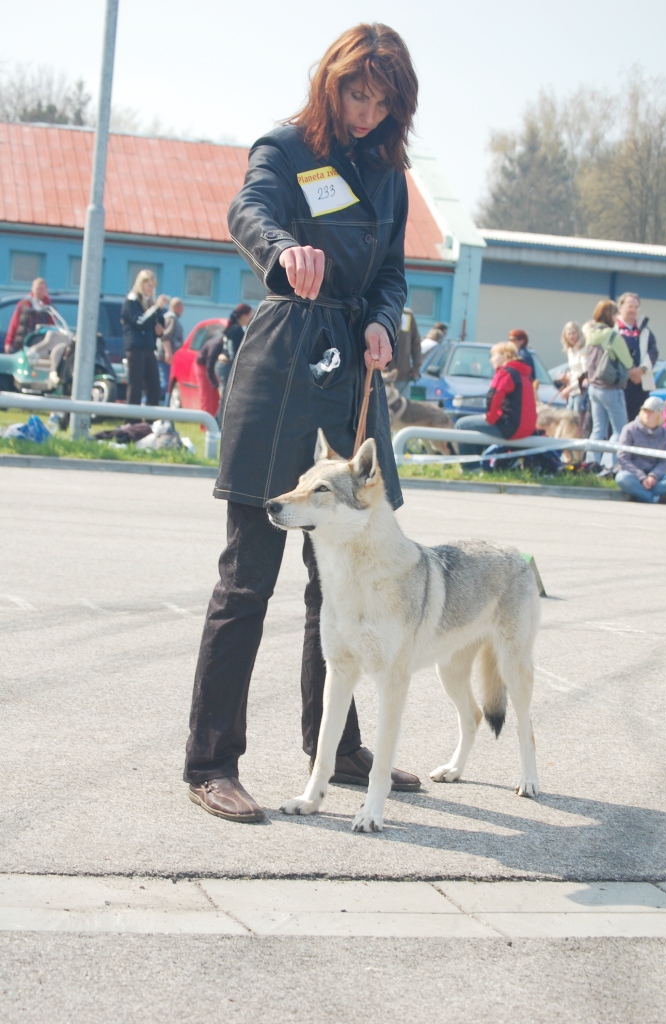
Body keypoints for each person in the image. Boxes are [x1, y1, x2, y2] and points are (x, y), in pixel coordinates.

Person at [184, 23, 421, 823]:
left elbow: (391, 273)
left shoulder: (389, 171)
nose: (366, 111)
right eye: (357, 92)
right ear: (332, 83)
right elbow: (246, 208)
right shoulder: (284, 148)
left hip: (351, 370)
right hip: (283, 364)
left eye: (382, 99)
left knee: (345, 579)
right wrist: (283, 248)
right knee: (248, 576)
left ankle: (338, 749)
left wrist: (384, 321)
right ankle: (212, 760)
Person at [456, 341, 537, 456]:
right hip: (528, 428)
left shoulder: (505, 372)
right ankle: (480, 460)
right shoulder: (524, 374)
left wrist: (490, 417)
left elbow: (493, 396)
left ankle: (470, 466)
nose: (491, 360)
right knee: (476, 424)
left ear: (505, 355)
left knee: (461, 424)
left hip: (511, 427)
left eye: (494, 355)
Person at [583, 299, 633, 471]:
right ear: (610, 315)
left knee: (597, 429)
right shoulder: (613, 336)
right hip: (611, 388)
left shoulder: (590, 335)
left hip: (594, 388)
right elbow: (627, 361)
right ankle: (608, 465)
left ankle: (591, 464)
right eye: (615, 313)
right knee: (620, 430)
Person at [615, 396, 666, 504]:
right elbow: (623, 458)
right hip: (633, 475)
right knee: (622, 478)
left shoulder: (664, 434)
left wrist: (653, 476)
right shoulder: (629, 429)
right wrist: (641, 477)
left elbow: (665, 461)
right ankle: (654, 498)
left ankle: (637, 493)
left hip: (654, 478)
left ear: (659, 414)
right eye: (645, 411)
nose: (647, 414)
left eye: (651, 412)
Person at [120, 270, 168, 407]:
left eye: (153, 286)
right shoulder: (131, 302)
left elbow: (157, 323)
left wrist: (159, 329)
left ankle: (150, 420)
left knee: (154, 385)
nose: (151, 289)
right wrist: (156, 308)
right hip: (135, 348)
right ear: (141, 284)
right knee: (136, 384)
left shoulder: (150, 303)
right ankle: (132, 420)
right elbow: (140, 322)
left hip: (149, 347)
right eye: (148, 285)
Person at [616, 292, 658, 422]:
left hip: (639, 384)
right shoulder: (613, 329)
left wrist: (641, 370)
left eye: (636, 307)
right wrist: (628, 372)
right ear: (620, 307)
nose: (633, 310)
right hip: (618, 385)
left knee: (638, 422)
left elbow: (653, 352)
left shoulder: (645, 331)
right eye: (630, 306)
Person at [215, 304, 254, 423]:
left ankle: (218, 421)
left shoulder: (231, 328)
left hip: (222, 365)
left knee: (225, 395)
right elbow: (234, 351)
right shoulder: (236, 329)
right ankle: (220, 422)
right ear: (245, 315)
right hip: (227, 365)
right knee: (226, 396)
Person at [4, 278, 55, 353]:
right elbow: (13, 324)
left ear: (46, 290)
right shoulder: (23, 304)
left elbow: (52, 328)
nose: (39, 291)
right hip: (21, 345)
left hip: (39, 346)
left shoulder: (49, 307)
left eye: (42, 289)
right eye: (37, 289)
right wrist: (8, 342)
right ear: (32, 289)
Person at [385, 306, 421, 394]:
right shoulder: (381, 312)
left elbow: (415, 343)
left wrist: (416, 367)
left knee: (402, 406)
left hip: (403, 375)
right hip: (382, 374)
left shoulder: (407, 315)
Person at [158, 298, 184, 404]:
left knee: (167, 383)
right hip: (166, 357)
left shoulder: (170, 318)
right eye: (182, 309)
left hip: (167, 356)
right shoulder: (171, 318)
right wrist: (168, 353)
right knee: (165, 384)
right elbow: (165, 337)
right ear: (177, 307)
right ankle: (153, 404)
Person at [557, 321, 587, 412]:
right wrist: (567, 376)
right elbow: (575, 369)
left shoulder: (583, 350)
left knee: (576, 419)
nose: (571, 336)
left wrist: (568, 388)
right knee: (568, 417)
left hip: (580, 390)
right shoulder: (570, 350)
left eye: (574, 333)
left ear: (579, 333)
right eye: (569, 334)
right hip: (572, 390)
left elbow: (584, 373)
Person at [194, 332, 222, 418]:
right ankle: (205, 425)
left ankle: (213, 421)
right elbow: (209, 369)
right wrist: (215, 385)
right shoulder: (216, 346)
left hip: (212, 367)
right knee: (206, 396)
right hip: (202, 366)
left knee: (215, 397)